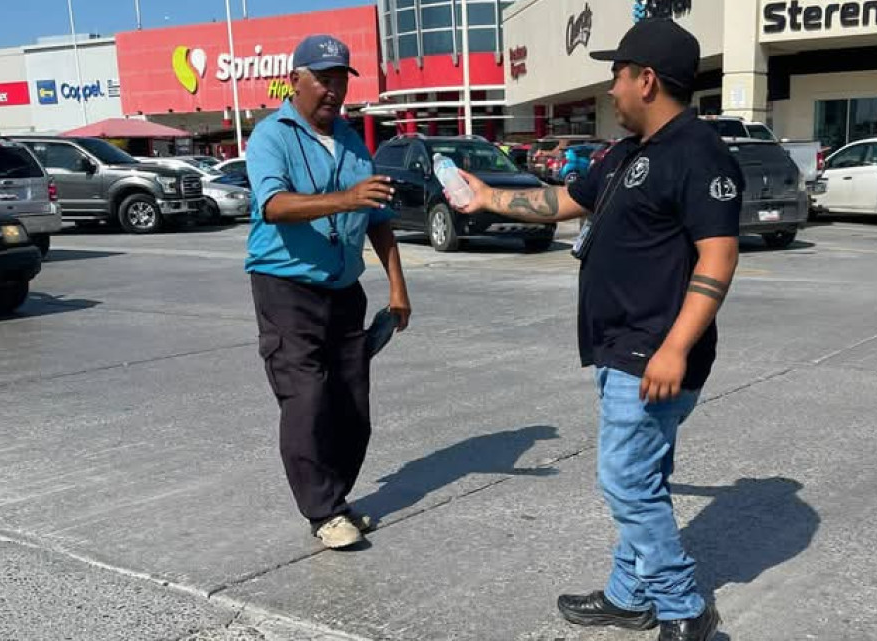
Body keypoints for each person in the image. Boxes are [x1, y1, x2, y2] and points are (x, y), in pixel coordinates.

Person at [453, 19, 741, 641]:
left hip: (654, 351)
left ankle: (683, 608)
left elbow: (719, 256)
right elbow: (561, 203)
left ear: (646, 79)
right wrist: (488, 198)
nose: (609, 88)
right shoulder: (625, 153)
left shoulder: (698, 152)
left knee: (624, 481)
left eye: (616, 74)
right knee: (644, 476)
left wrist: (672, 349)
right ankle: (626, 597)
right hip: (620, 345)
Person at [245, 34, 411, 550]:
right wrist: (344, 199)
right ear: (295, 80)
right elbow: (273, 205)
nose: (334, 90)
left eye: (341, 79)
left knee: (351, 405)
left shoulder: (352, 140)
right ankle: (322, 511)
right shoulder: (271, 136)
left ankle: (335, 498)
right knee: (307, 398)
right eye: (324, 79)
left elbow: (378, 218)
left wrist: (398, 288)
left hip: (344, 291)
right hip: (285, 288)